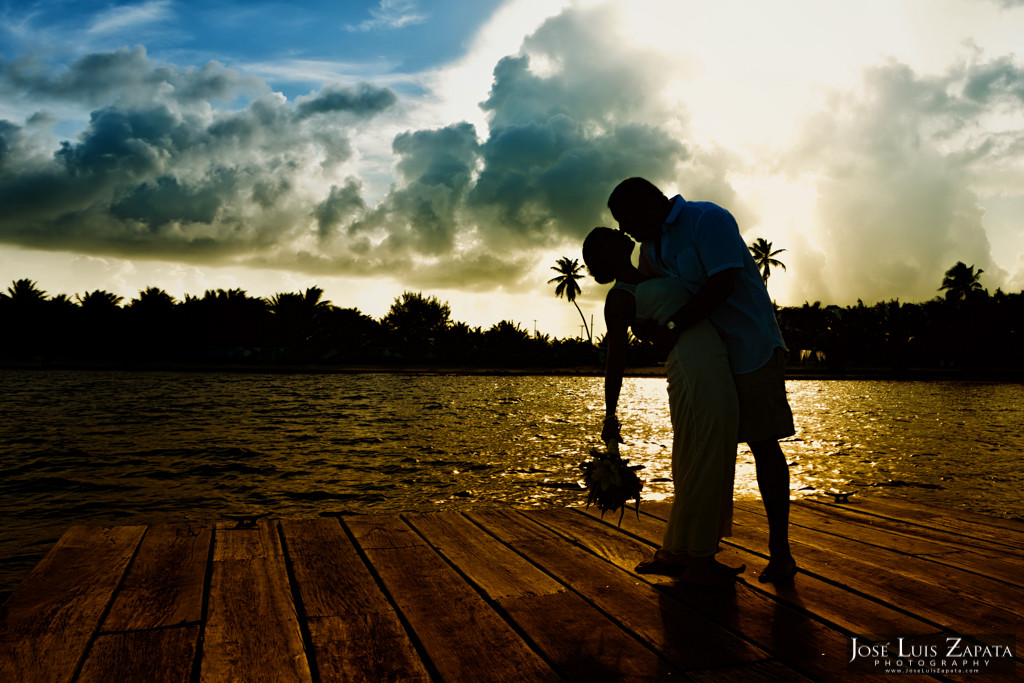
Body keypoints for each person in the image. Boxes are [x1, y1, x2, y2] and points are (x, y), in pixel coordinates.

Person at [607, 177, 797, 584]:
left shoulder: (706, 219)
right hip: (705, 359)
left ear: (647, 204)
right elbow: (657, 296)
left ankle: (780, 553)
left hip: (749, 347)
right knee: (697, 450)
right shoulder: (651, 248)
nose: (626, 230)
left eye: (625, 219)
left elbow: (721, 284)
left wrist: (673, 327)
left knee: (764, 446)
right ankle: (688, 547)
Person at [583, 226, 743, 588]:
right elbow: (616, 358)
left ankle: (683, 550)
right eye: (611, 233)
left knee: (704, 451)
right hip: (691, 364)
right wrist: (610, 414)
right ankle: (697, 558)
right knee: (705, 448)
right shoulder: (620, 297)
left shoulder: (654, 267)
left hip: (711, 358)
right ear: (606, 255)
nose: (621, 231)